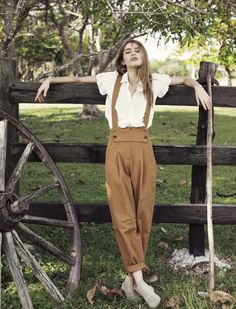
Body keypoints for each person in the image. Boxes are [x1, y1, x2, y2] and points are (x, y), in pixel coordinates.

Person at [35, 39, 211, 308]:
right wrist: (50, 80)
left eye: (136, 50)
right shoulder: (110, 80)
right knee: (122, 212)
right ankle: (140, 281)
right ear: (122, 59)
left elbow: (184, 79)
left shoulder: (156, 80)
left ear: (143, 55)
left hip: (143, 145)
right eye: (127, 51)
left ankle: (131, 276)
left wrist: (197, 85)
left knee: (143, 212)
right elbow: (80, 79)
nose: (132, 53)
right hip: (116, 145)